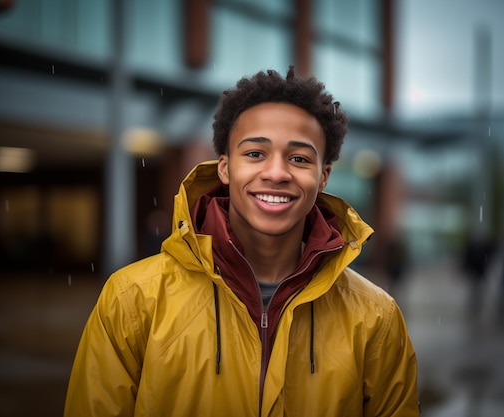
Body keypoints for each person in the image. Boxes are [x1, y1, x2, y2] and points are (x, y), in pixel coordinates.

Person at [64, 66, 419, 416]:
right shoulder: (132, 300)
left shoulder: (376, 317)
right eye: (254, 154)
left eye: (299, 158)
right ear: (225, 167)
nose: (277, 173)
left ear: (323, 176)